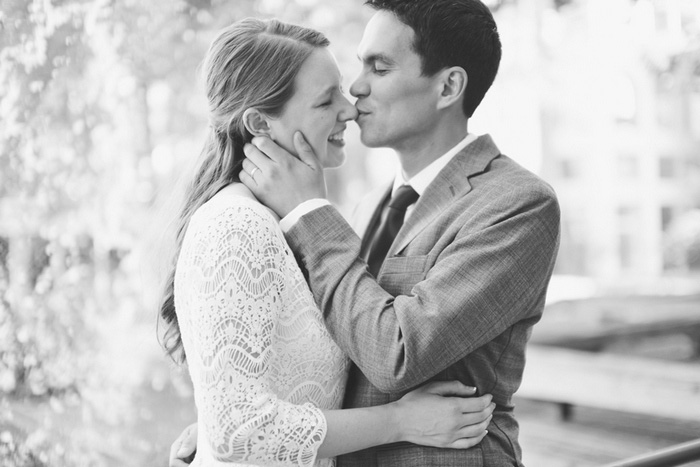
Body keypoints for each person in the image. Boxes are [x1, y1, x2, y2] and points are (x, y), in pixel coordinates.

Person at [236, 0, 562, 465]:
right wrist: (232, 422)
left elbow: (397, 353)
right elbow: (324, 356)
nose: (356, 87)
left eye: (380, 67)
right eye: (360, 65)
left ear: (448, 86)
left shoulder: (516, 204)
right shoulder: (367, 206)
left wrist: (309, 211)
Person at [161, 17, 496, 467]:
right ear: (260, 123)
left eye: (342, 88)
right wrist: (401, 420)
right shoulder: (240, 224)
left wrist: (217, 419)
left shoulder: (289, 220)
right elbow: (238, 430)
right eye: (325, 101)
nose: (350, 106)